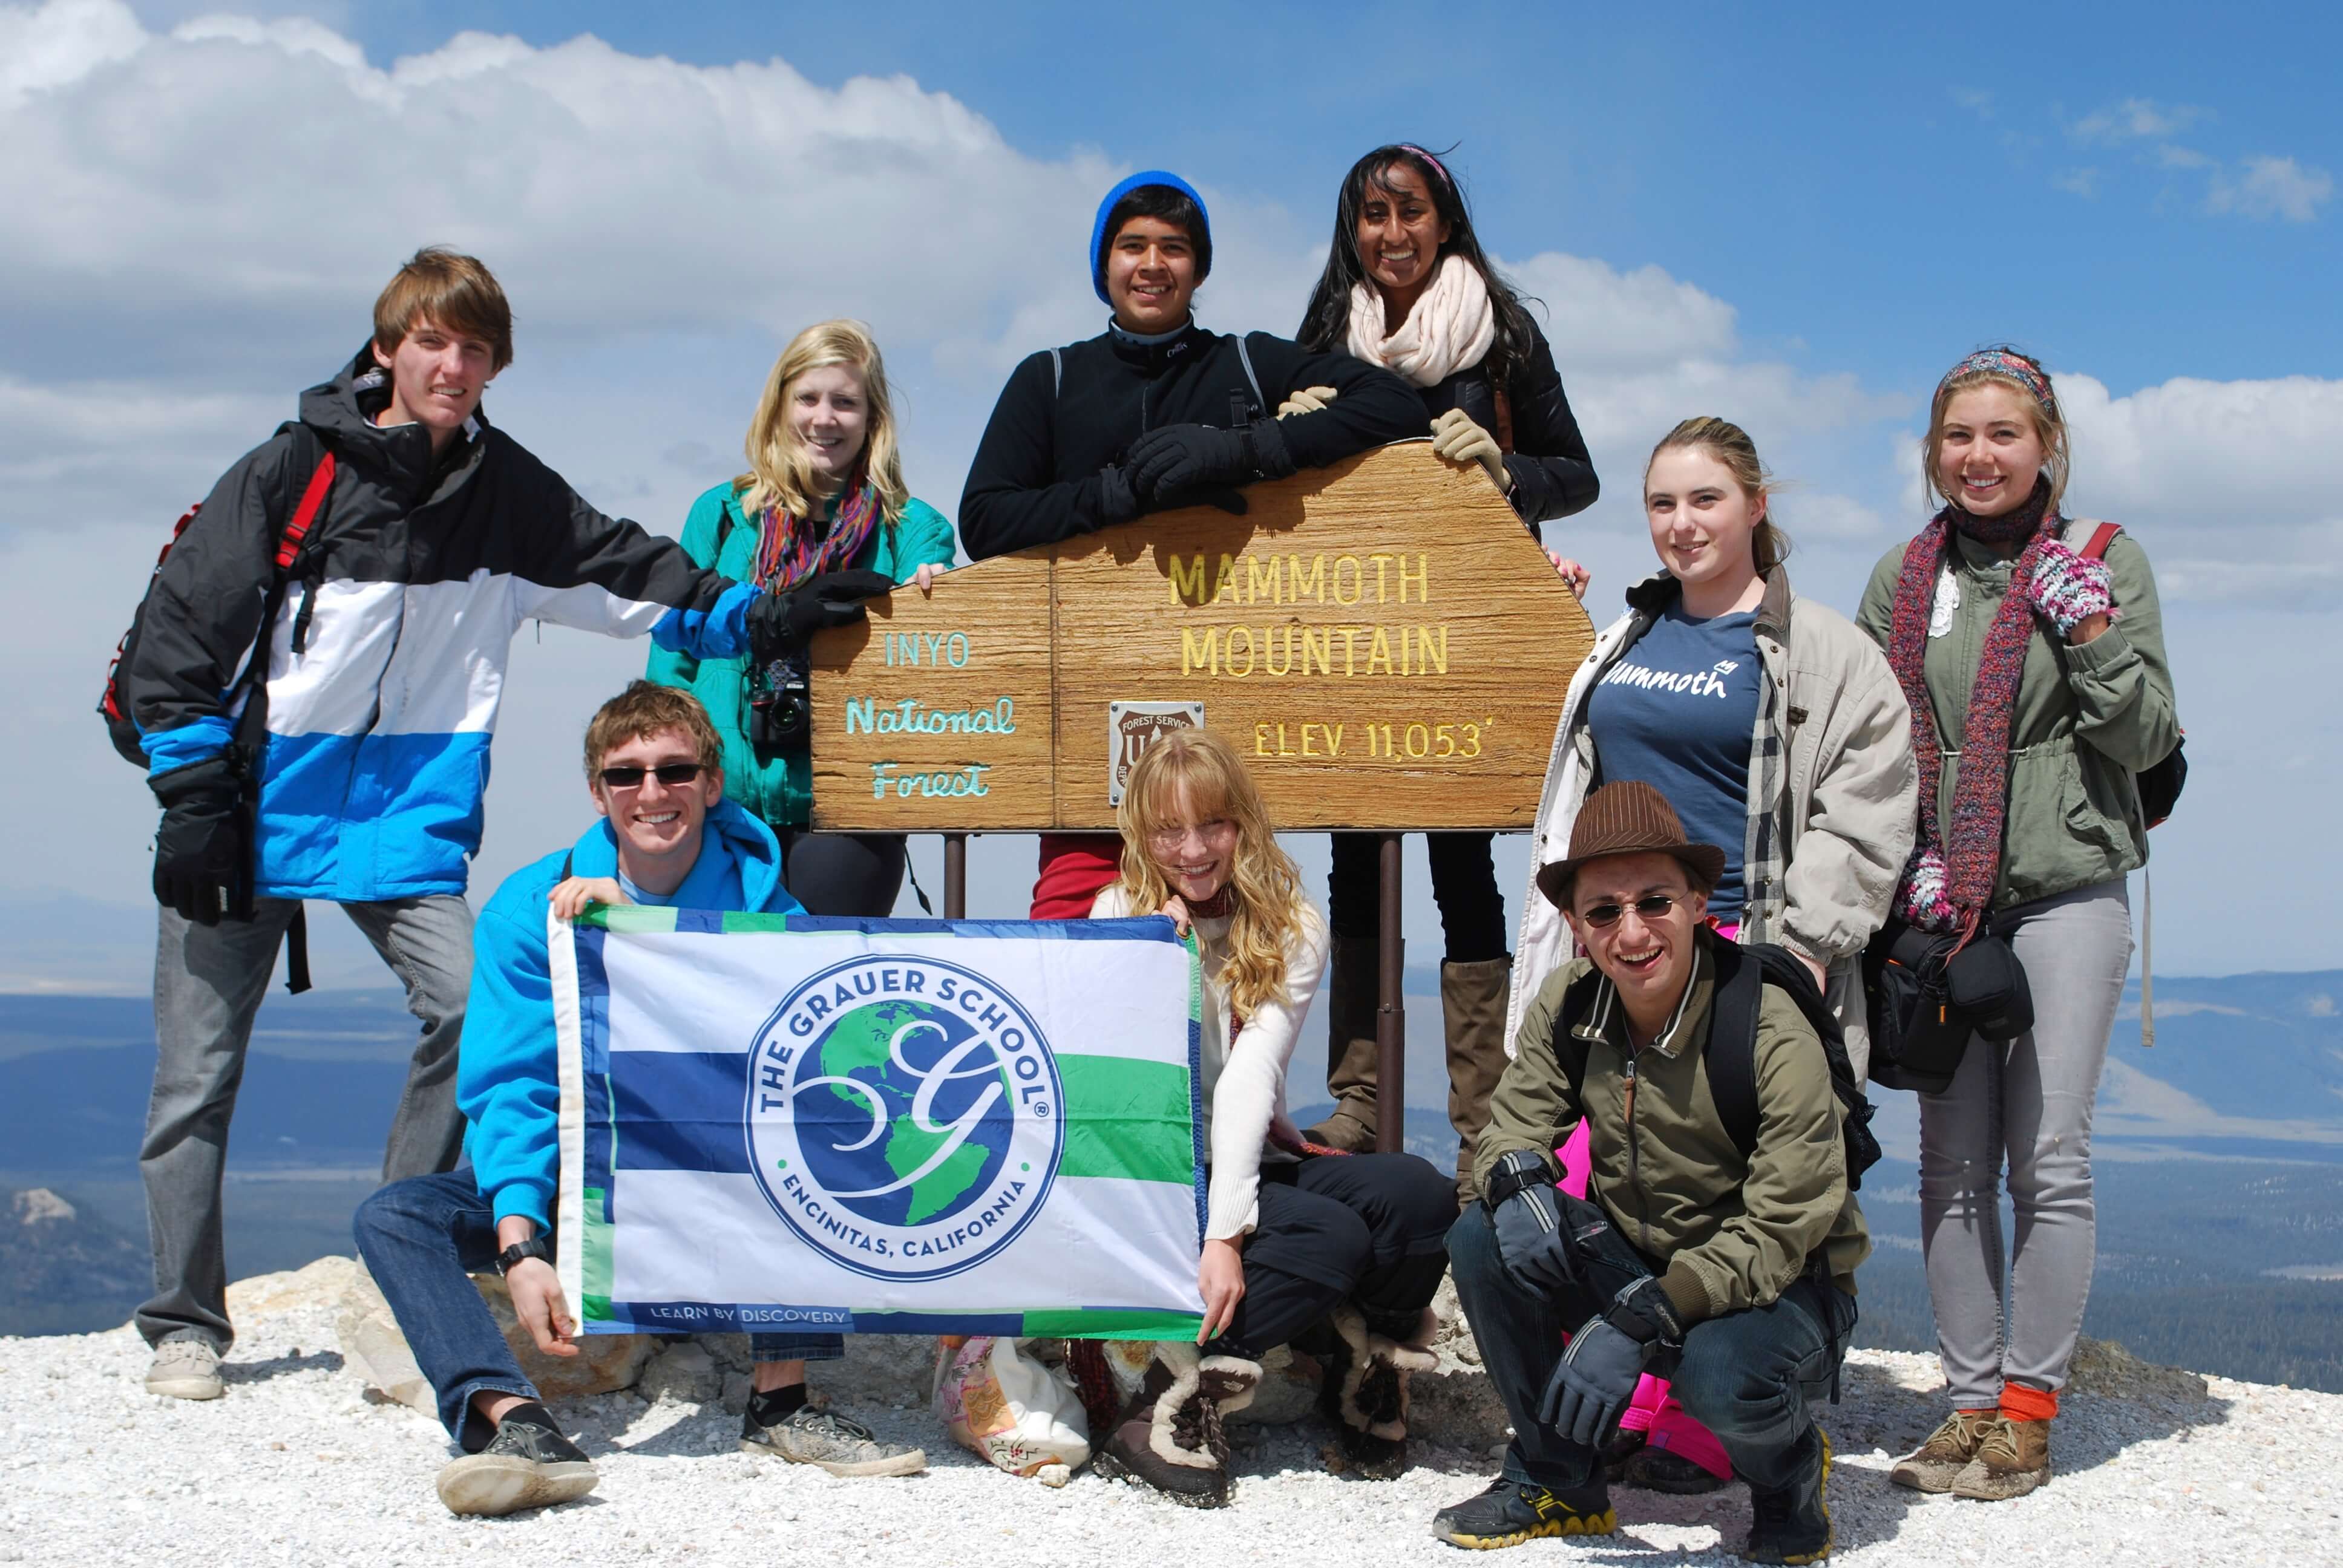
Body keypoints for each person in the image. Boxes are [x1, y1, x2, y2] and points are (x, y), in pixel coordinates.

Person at [125, 247, 805, 1402]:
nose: (454, 365)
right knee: (194, 1077)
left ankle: (407, 1267)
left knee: (466, 1007)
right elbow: (177, 630)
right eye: (433, 342)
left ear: (494, 366)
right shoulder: (294, 471)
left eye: (476, 348)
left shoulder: (505, 490)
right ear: (387, 348)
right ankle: (186, 1322)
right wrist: (191, 795)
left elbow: (624, 563)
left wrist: (765, 614)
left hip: (404, 821)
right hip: (243, 813)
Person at [353, 683, 925, 1518]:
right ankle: (511, 1421)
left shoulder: (772, 908)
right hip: (590, 1177)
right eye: (626, 776)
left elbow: (794, 1057)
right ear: (598, 791)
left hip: (717, 1167)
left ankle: (783, 1400)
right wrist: (519, 1243)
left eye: (674, 770)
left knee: (818, 1132)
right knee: (396, 1216)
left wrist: (651, 942)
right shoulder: (529, 905)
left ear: (712, 783)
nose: (651, 794)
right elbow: (515, 1079)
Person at [1501, 417, 1915, 1492]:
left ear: (1754, 506)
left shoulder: (1817, 649)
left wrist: (1811, 950)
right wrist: (1533, 589)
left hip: (1746, 946)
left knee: (1732, 1194)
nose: (1681, 524)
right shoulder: (1625, 637)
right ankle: (1622, 1403)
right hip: (1619, 943)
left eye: (1705, 500)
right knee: (1601, 1184)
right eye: (1661, 504)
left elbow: (1867, 803)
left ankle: (1708, 1418)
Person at [1856, 347, 2178, 1502]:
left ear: (2045, 445)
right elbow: (1865, 742)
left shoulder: (2103, 559)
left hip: (2067, 888)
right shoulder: (1901, 578)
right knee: (1949, 1160)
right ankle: (1967, 1404)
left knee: (2047, 1158)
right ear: (1931, 451)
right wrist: (1909, 872)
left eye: (2002, 434)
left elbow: (2146, 740)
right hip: (1940, 907)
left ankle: (2029, 1413)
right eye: (1957, 436)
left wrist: (2089, 635)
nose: (1978, 456)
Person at [958, 170, 1425, 921]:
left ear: (1198, 269)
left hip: (1224, 700)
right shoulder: (1047, 379)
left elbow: (1395, 405)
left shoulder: (1244, 361)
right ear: (1104, 265)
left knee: (1226, 952)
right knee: (1073, 929)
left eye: (1173, 248)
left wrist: (1247, 448)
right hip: (1087, 698)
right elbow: (983, 520)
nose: (1151, 265)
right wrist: (1112, 498)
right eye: (1131, 245)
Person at [1281, 143, 1603, 1197]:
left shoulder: (1500, 335)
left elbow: (1579, 475)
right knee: (1353, 856)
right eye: (1369, 215)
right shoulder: (1327, 335)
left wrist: (1505, 466)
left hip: (1462, 631)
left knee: (1465, 870)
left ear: (1444, 220)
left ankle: (1479, 1116)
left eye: (1407, 211)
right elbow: (1271, 462)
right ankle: (1362, 1098)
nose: (1389, 234)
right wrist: (1283, 430)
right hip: (1352, 632)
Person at [1435, 782, 1867, 1562]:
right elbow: (1508, 1130)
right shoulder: (1569, 1004)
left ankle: (1788, 1477)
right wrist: (1518, 1185)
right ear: (1575, 925)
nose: (1630, 931)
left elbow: (1783, 1225)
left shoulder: (1766, 1022)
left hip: (1778, 1288)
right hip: (1635, 1257)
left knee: (1721, 1375)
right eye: (1603, 910)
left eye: (1654, 902)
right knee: (1482, 1238)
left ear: (1699, 903)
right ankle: (1556, 1481)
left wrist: (1644, 1317)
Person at [1087, 729, 1455, 1507]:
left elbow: (1251, 1073)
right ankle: (1163, 1402)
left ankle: (1366, 1368)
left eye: (1211, 825)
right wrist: (1158, 963)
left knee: (1417, 1193)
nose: (1191, 850)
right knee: (1330, 1235)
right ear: (1140, 834)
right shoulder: (1117, 912)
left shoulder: (1292, 922)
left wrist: (1230, 1225)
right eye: (1167, 829)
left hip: (1239, 1142)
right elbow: (1123, 1094)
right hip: (1160, 1164)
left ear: (1244, 824)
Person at [647, 320, 955, 914]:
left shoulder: (912, 528)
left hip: (850, 805)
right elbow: (671, 669)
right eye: (808, 399)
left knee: (826, 984)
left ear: (872, 419)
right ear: (779, 406)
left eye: (845, 402)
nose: (824, 418)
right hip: (723, 808)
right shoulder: (719, 516)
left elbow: (939, 649)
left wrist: (938, 601)